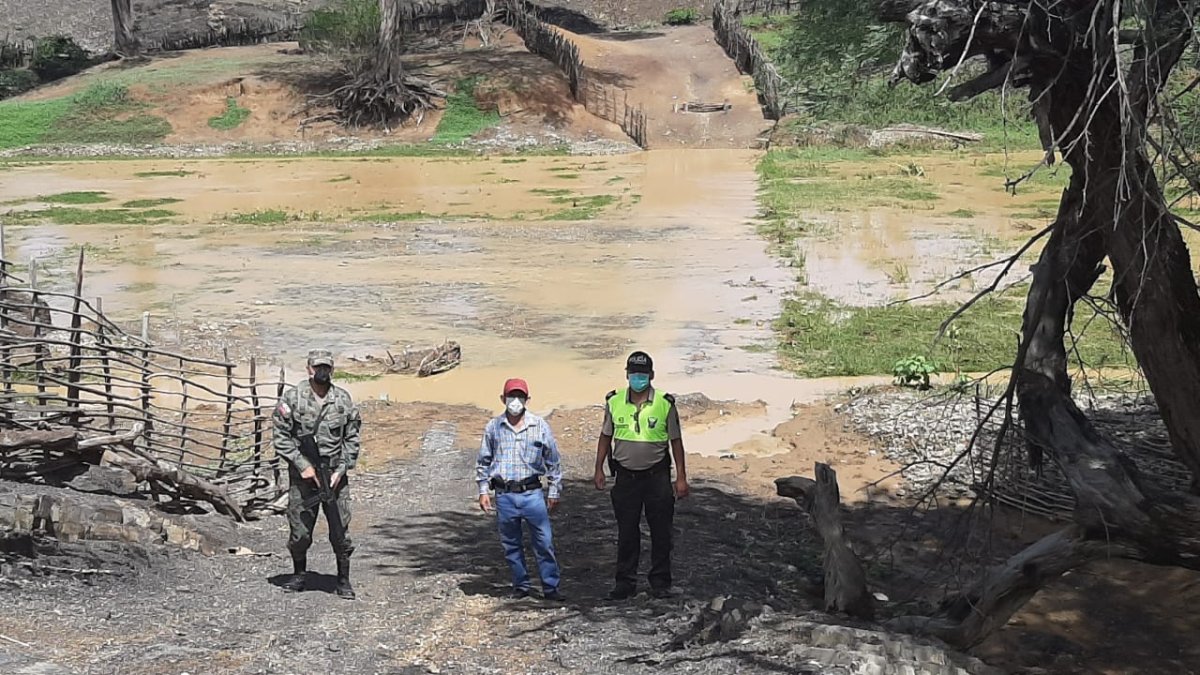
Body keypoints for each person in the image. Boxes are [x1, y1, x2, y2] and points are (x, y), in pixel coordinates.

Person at [594, 351, 689, 600]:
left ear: (652, 375)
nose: (638, 378)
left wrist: (681, 477)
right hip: (626, 478)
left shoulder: (664, 403)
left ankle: (660, 582)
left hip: (656, 477)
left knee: (661, 531)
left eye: (643, 374)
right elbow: (605, 436)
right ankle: (625, 583)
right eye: (634, 374)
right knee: (627, 532)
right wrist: (598, 469)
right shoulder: (614, 402)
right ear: (627, 374)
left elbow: (676, 442)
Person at [272, 349, 362, 599]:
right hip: (303, 478)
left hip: (334, 476)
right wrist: (302, 465)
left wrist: (341, 469)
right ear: (309, 368)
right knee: (300, 532)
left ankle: (343, 579)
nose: (322, 371)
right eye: (317, 367)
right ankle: (299, 573)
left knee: (340, 530)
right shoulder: (293, 398)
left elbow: (352, 438)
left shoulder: (342, 400)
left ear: (331, 370)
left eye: (326, 367)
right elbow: (280, 436)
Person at [476, 378, 564, 601]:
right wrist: (483, 490)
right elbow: (484, 461)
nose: (515, 401)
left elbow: (553, 460)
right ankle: (521, 586)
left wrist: (554, 490)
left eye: (520, 396)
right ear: (502, 399)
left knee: (544, 542)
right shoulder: (493, 427)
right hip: (504, 495)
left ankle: (551, 587)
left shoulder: (539, 426)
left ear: (528, 399)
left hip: (532, 494)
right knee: (511, 545)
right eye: (511, 396)